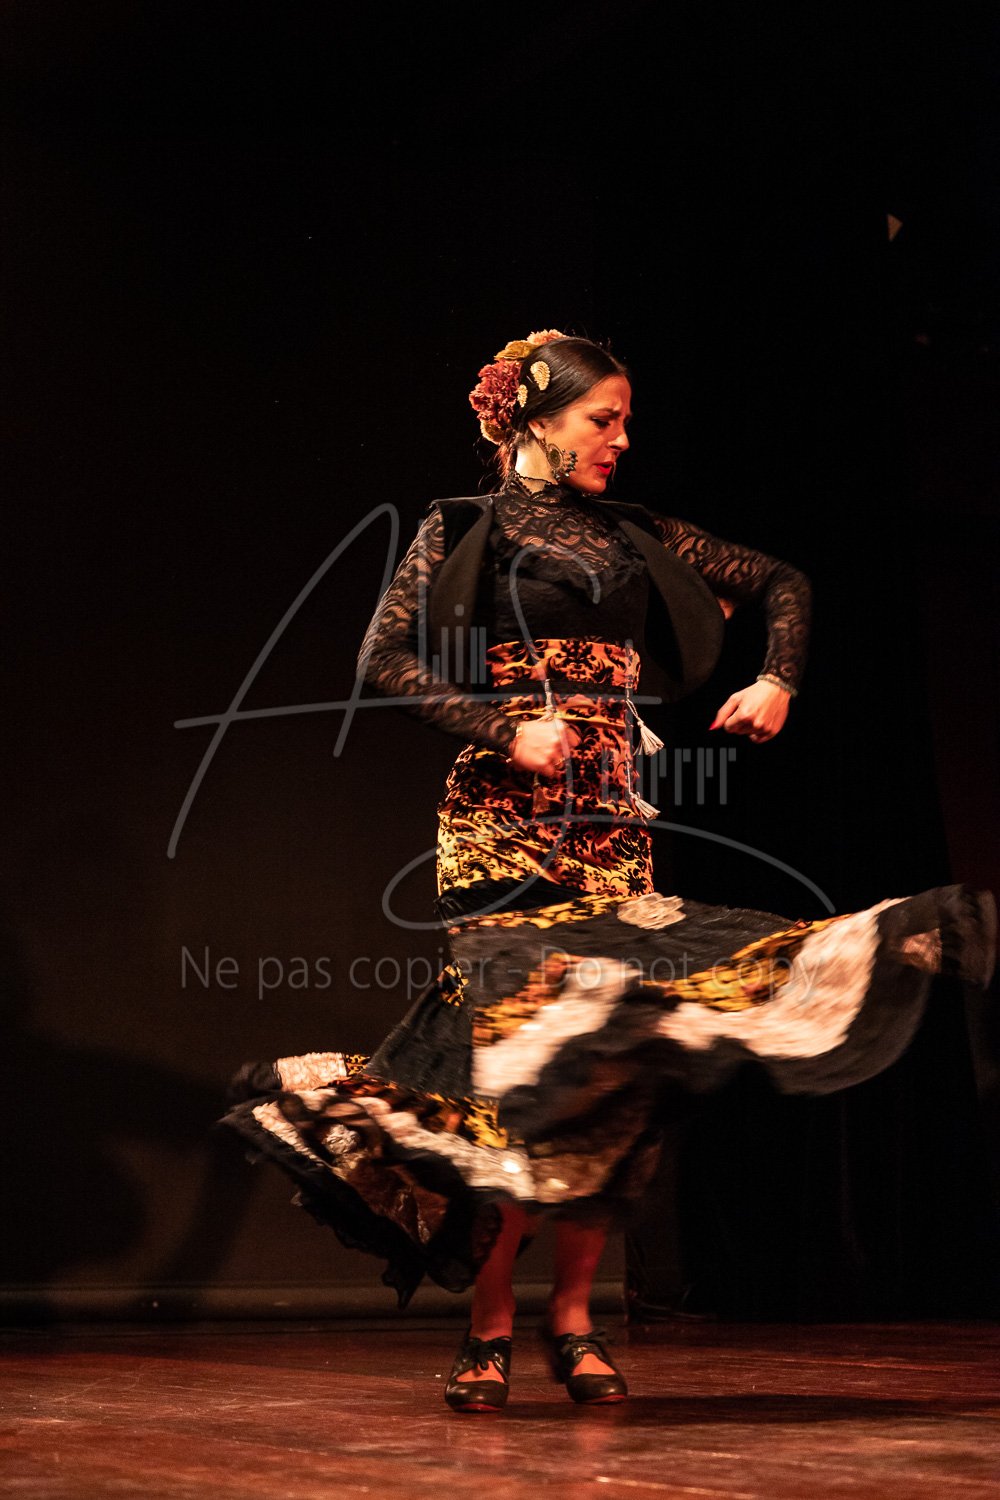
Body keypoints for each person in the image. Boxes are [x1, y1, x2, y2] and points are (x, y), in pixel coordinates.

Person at [223, 330, 996, 1413]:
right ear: (538, 421)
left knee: (610, 1075)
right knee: (514, 1080)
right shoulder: (464, 527)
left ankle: (574, 1317)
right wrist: (504, 728)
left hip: (608, 830)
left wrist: (776, 680)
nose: (622, 440)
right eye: (604, 419)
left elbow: (782, 581)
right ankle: (491, 1324)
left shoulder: (640, 533)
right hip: (499, 825)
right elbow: (380, 660)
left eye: (625, 421)